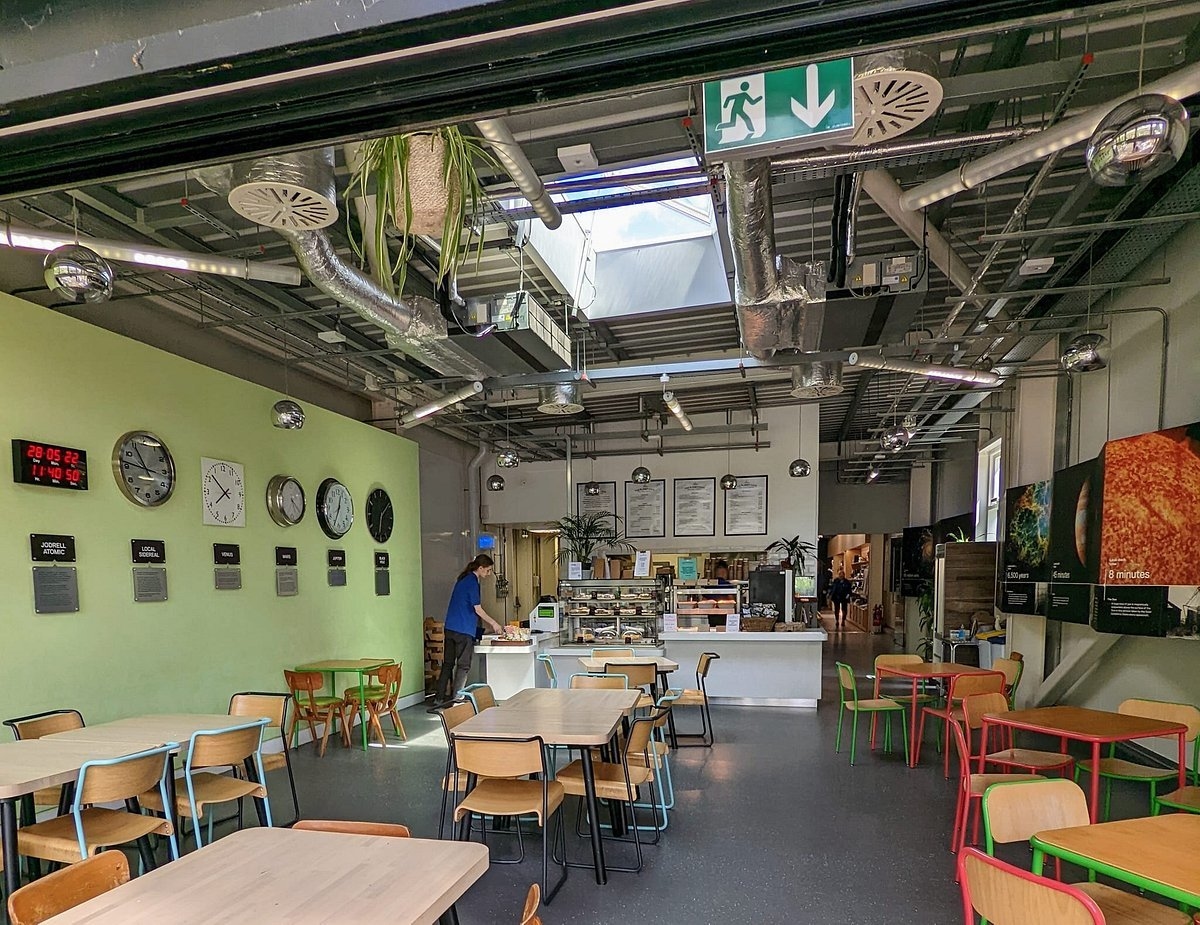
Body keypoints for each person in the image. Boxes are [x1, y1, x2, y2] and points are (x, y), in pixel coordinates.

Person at [436, 554, 503, 705]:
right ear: (480, 568)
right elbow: (477, 609)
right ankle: (457, 699)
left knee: (448, 664)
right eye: (488, 570)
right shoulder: (472, 583)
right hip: (463, 631)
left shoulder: (462, 580)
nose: (489, 574)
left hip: (450, 628)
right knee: (463, 666)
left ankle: (438, 698)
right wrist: (494, 624)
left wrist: (482, 630)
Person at [707, 560, 734, 628]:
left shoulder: (709, 585)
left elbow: (704, 600)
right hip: (724, 615)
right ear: (724, 572)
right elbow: (732, 600)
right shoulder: (727, 585)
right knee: (723, 630)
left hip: (711, 615)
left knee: (713, 630)